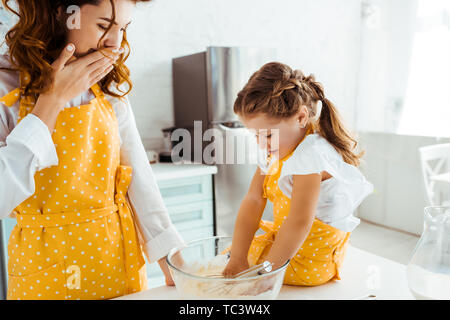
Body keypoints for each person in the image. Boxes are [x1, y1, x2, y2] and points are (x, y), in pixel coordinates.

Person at [0, 0, 185, 300]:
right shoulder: (5, 84)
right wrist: (52, 100)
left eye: (122, 29)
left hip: (118, 262)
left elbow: (138, 178)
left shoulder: (106, 85)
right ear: (60, 12)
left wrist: (170, 257)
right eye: (103, 26)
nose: (114, 43)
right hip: (46, 273)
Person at [223, 62, 374, 286]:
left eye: (266, 135)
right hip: (292, 245)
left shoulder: (310, 155)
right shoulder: (279, 146)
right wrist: (237, 257)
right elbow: (254, 200)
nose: (261, 144)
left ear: (301, 117)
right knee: (231, 256)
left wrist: (265, 277)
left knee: (232, 269)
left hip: (310, 261)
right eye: (255, 136)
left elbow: (299, 222)